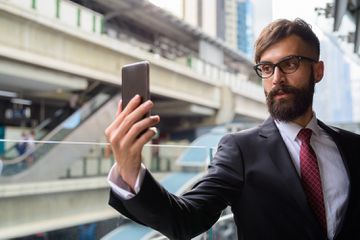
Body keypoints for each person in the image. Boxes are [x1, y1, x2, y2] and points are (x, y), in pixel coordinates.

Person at [105, 18, 360, 240]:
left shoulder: (353, 147)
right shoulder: (240, 149)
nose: (276, 79)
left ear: (317, 70)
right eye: (267, 68)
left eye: (290, 64)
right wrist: (130, 171)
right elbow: (185, 219)